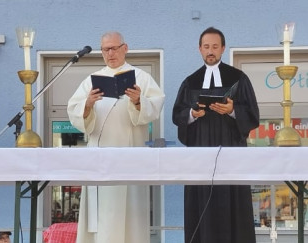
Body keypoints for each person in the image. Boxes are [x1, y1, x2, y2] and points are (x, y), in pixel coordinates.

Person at [67, 31, 165, 243]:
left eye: (114, 48)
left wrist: (139, 101)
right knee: (101, 218)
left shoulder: (141, 78)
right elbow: (74, 111)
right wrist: (88, 104)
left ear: (125, 48)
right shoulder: (91, 82)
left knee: (129, 220)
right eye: (105, 49)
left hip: (130, 159)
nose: (110, 53)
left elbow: (155, 108)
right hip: (98, 160)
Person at [172, 27, 259, 243]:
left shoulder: (238, 78)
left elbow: (253, 114)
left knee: (233, 203)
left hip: (232, 153)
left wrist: (232, 111)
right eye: (206, 47)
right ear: (199, 49)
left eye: (215, 47)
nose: (210, 51)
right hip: (200, 155)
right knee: (201, 206)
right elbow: (177, 114)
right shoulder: (190, 82)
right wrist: (193, 113)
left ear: (223, 49)